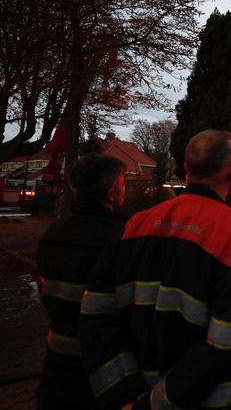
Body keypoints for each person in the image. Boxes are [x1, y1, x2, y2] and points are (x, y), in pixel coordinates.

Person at [79, 130, 231, 410]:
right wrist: (155, 404)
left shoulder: (133, 227)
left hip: (130, 396)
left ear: (186, 168)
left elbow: (95, 317)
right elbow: (223, 345)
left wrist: (124, 396)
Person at [36, 154, 127, 409]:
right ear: (111, 193)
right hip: (107, 371)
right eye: (123, 185)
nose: (124, 191)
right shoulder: (123, 239)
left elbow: (46, 293)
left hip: (57, 367)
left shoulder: (53, 235)